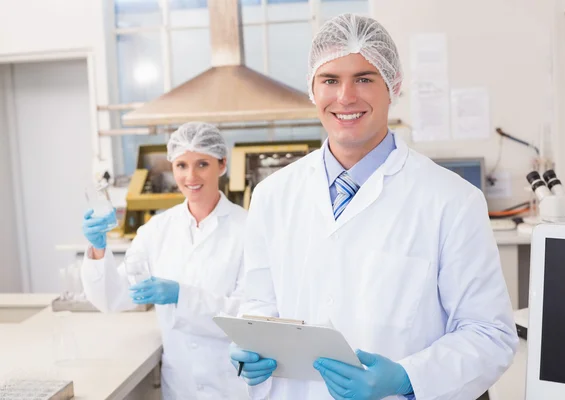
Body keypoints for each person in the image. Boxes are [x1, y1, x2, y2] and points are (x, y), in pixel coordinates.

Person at [230, 13, 518, 400]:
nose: (345, 97)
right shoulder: (271, 196)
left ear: (393, 86)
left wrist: (407, 378)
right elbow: (260, 304)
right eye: (330, 80)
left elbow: (490, 334)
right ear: (313, 90)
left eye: (364, 79)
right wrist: (251, 345)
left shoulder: (452, 200)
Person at [81, 122, 248, 399]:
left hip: (232, 385)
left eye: (202, 164)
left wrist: (181, 296)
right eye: (181, 165)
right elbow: (114, 297)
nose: (191, 176)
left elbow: (249, 317)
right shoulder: (157, 230)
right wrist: (99, 249)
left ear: (222, 165)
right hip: (180, 387)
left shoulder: (248, 229)